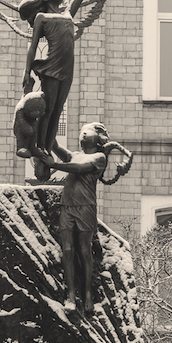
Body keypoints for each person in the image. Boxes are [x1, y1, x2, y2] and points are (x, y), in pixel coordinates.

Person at [36, 122, 134, 312]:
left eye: (87, 132)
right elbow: (54, 145)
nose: (82, 134)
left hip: (86, 207)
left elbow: (78, 169)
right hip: (67, 205)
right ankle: (71, 294)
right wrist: (47, 123)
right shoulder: (74, 155)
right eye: (81, 132)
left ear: (99, 139)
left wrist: (54, 164)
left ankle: (87, 293)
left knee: (84, 249)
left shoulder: (99, 158)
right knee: (67, 249)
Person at [18, 0, 94, 175]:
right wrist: (26, 72)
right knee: (47, 110)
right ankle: (40, 148)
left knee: (58, 109)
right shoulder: (41, 16)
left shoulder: (68, 13)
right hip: (50, 68)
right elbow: (32, 48)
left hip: (67, 69)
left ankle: (47, 148)